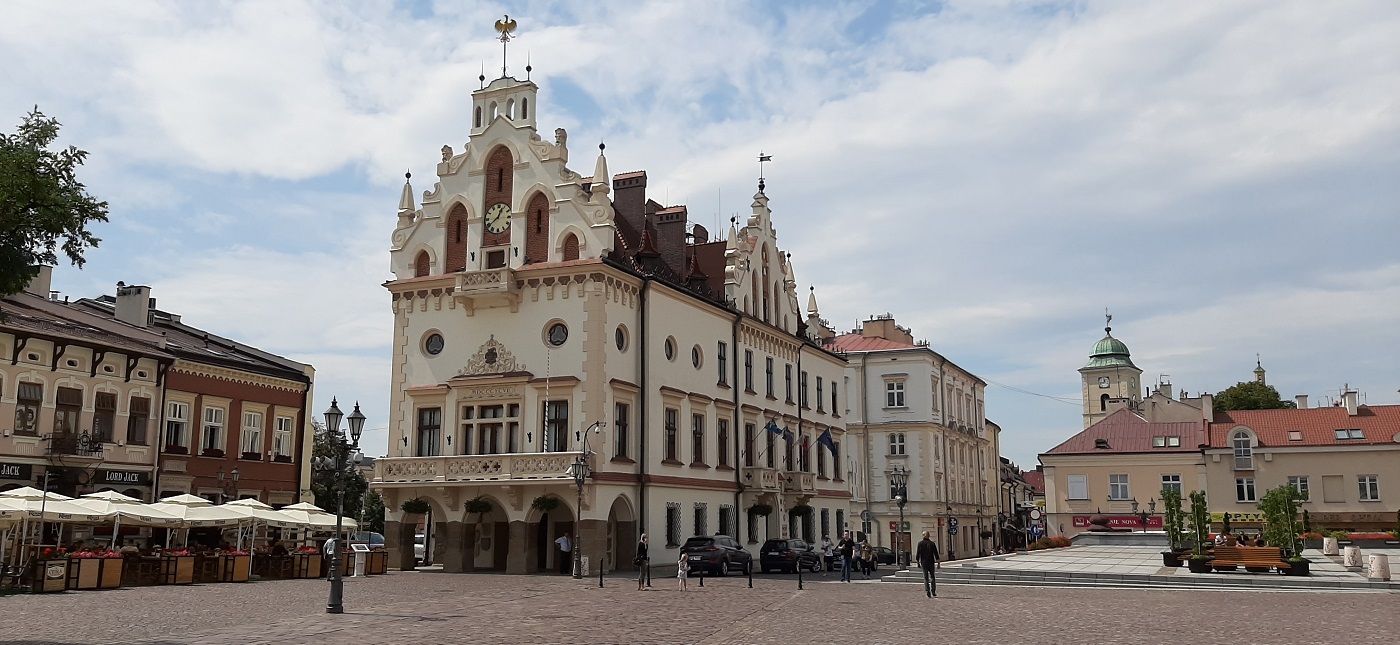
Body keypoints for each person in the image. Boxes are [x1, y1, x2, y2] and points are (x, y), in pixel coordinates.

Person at [915, 530, 940, 598]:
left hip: (924, 562)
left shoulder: (920, 543)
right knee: (932, 577)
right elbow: (936, 554)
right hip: (931, 562)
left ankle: (927, 591)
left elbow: (918, 554)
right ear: (929, 536)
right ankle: (933, 591)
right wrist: (938, 563)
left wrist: (918, 562)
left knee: (926, 578)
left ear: (923, 536)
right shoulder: (932, 544)